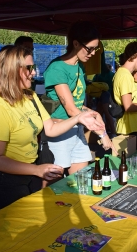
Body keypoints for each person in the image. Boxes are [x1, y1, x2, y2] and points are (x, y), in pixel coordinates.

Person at [0, 45, 104, 211]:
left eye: (34, 68)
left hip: (29, 170)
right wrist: (37, 169)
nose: (33, 73)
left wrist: (78, 118)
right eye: (29, 68)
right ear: (12, 70)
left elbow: (51, 129)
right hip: (5, 178)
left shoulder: (29, 96)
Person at [43, 21, 115, 175]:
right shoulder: (57, 68)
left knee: (80, 179)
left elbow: (77, 104)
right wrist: (102, 134)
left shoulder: (80, 66)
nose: (93, 53)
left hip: (77, 128)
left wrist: (93, 113)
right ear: (75, 43)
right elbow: (70, 109)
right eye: (90, 49)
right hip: (60, 131)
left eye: (96, 49)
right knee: (55, 183)